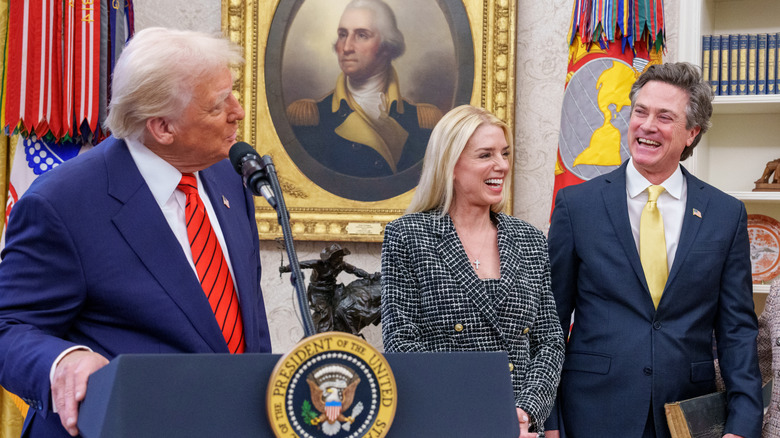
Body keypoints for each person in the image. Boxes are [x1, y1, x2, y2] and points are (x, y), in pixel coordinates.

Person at [0, 28, 272, 437]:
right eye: (219, 105)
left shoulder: (230, 175)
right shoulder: (63, 203)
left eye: (231, 93)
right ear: (163, 127)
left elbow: (243, 324)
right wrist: (64, 360)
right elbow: (8, 326)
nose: (238, 111)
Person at [544, 62, 763, 438]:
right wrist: (549, 422)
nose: (646, 126)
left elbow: (737, 330)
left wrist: (742, 424)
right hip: (591, 413)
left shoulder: (725, 214)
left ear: (691, 133)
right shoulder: (576, 206)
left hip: (684, 416)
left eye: (665, 117)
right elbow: (551, 322)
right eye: (640, 112)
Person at [381, 105, 565, 437]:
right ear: (450, 165)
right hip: (442, 425)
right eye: (486, 155)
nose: (502, 166)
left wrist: (525, 412)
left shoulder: (530, 240)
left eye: (505, 153)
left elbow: (549, 341)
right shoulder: (408, 236)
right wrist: (483, 416)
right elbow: (402, 345)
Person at [286, 0, 442, 178]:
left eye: (361, 35)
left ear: (387, 46)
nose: (346, 47)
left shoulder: (422, 122)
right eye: (343, 34)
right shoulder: (311, 119)